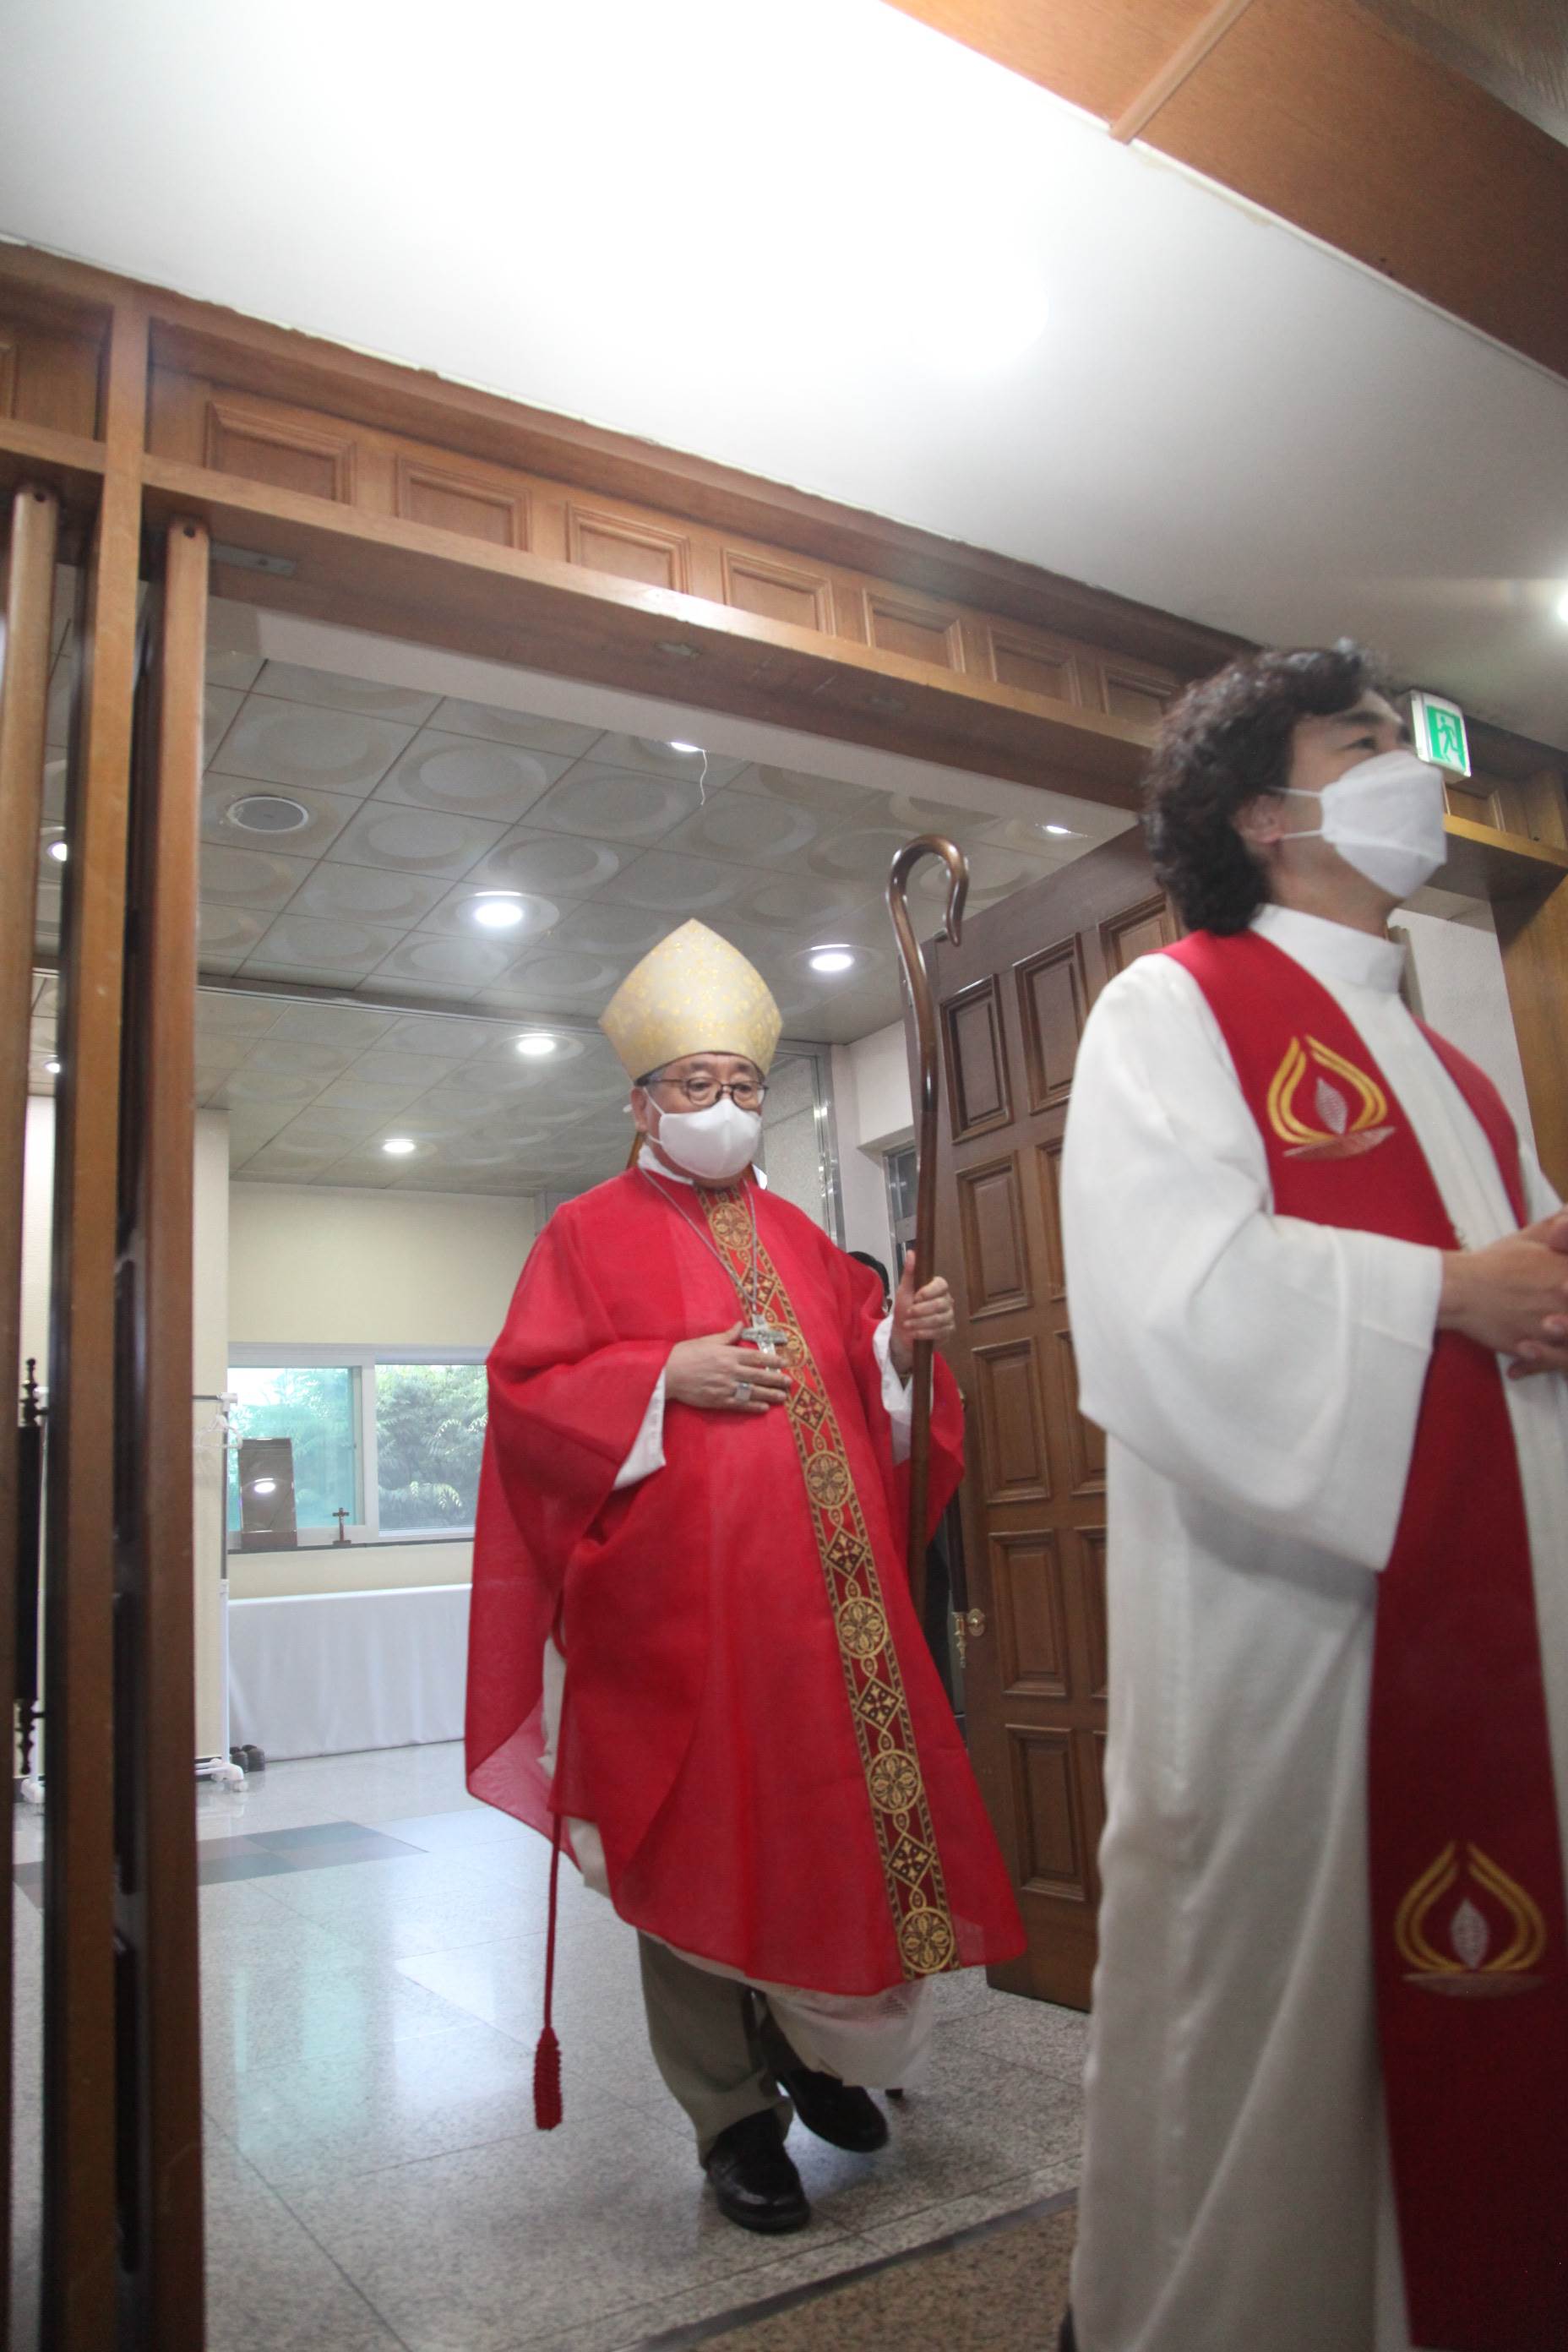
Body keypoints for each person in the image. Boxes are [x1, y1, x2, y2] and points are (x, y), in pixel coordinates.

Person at [1059, 644, 1568, 2352]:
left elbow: (1521, 1296)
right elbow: (1168, 1310)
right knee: (1280, 2022)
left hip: (1486, 1624)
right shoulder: (1173, 1006)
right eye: (1363, 745)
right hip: (1289, 1628)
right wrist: (1446, 1293)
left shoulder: (1456, 1065)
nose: (1414, 770)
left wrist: (1536, 1298)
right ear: (1264, 815)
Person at [467, 918, 1024, 2234]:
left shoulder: (802, 1236)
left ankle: (813, 2051)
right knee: (699, 1851)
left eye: (744, 1085)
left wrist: (899, 1355)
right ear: (641, 1102)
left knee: (821, 1838)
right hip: (674, 1629)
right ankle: (731, 2118)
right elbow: (526, 1402)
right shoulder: (583, 1234)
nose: (723, 1106)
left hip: (829, 1624)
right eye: (696, 1084)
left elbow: (880, 1419)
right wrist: (664, 1373)